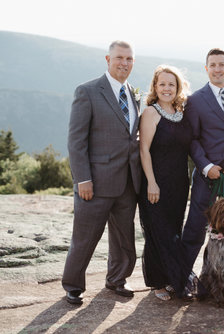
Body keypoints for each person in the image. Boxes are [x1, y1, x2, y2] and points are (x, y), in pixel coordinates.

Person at [64, 40, 143, 304]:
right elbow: (76, 141)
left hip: (128, 183)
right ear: (107, 60)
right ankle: (73, 285)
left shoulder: (134, 94)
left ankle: (116, 279)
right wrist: (82, 179)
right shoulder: (87, 91)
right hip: (95, 183)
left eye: (129, 59)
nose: (124, 63)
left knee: (123, 239)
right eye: (119, 58)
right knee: (84, 238)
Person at [183, 48, 224, 297]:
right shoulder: (196, 100)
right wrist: (206, 166)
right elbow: (192, 139)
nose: (218, 69)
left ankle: (219, 281)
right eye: (213, 65)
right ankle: (181, 280)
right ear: (206, 68)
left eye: (222, 64)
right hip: (208, 178)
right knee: (195, 230)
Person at [137, 65, 195, 301]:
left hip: (179, 184)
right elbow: (144, 149)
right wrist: (151, 182)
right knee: (157, 233)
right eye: (162, 84)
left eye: (171, 84)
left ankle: (172, 278)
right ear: (155, 87)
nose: (167, 88)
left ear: (178, 87)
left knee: (173, 232)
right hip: (156, 183)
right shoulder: (151, 113)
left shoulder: (183, 112)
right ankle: (158, 283)